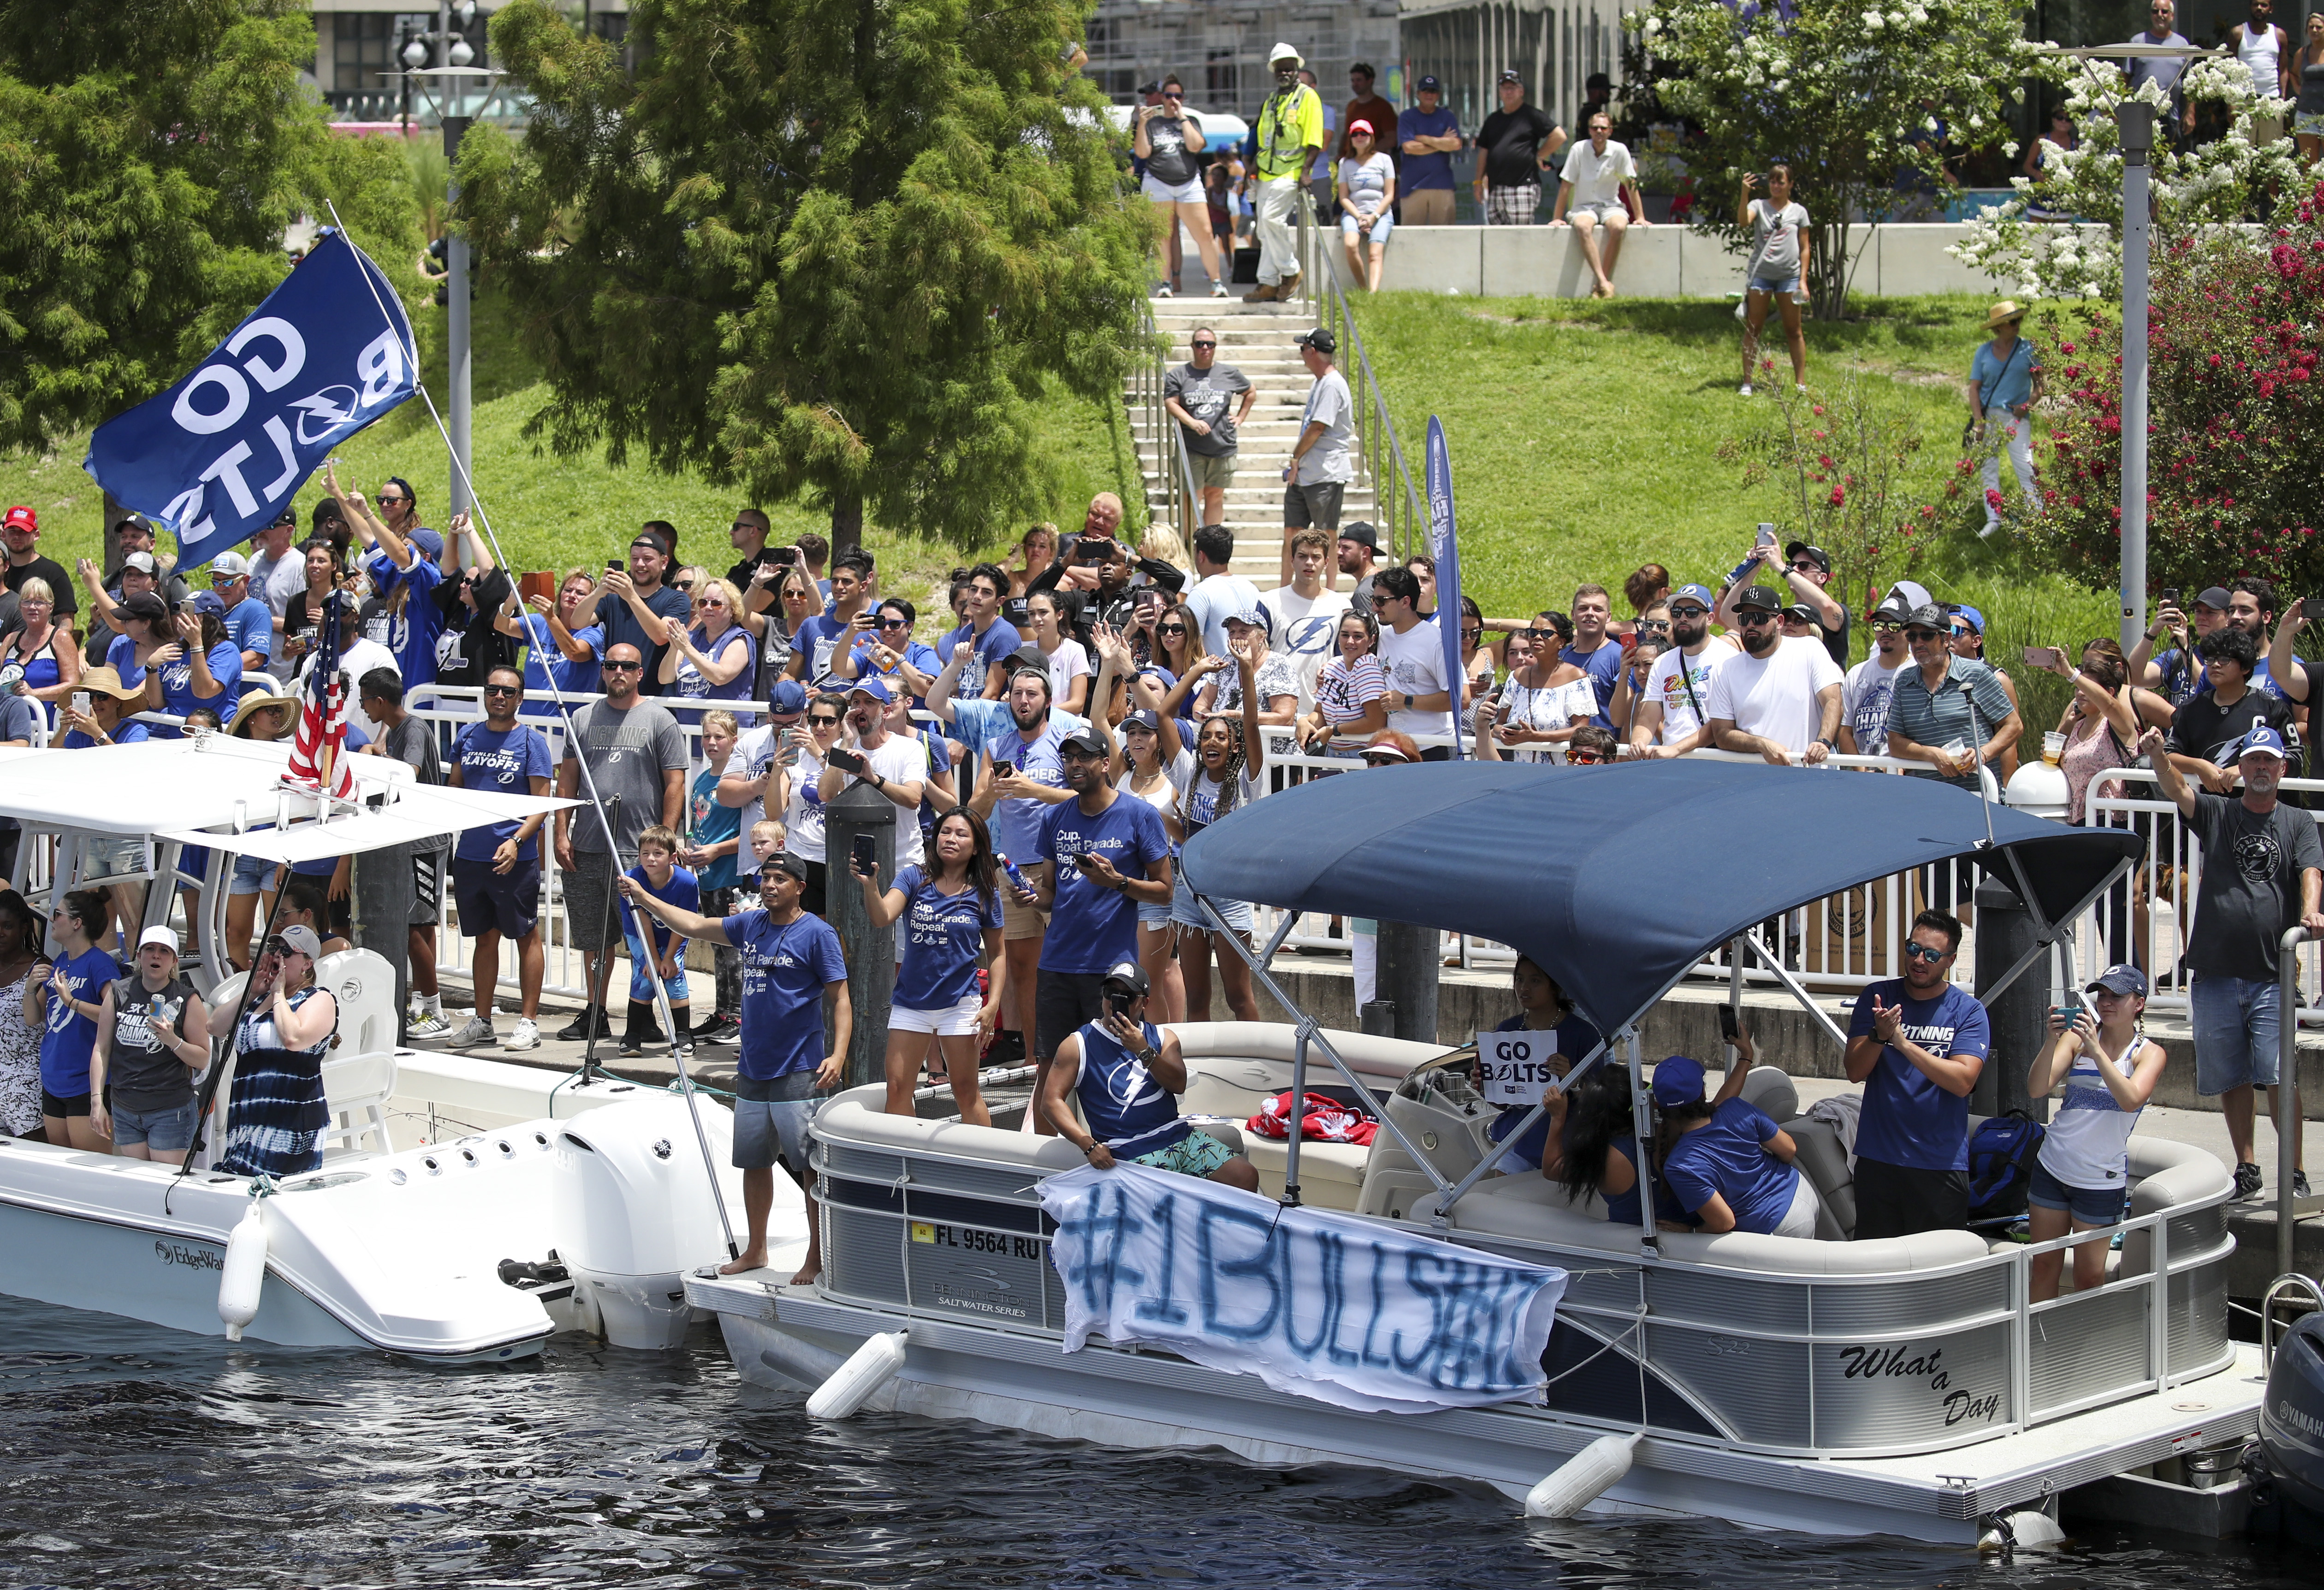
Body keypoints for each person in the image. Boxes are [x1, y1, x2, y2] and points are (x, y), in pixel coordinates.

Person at [623, 854, 850, 1281]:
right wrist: (643, 897)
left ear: (799, 886)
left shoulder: (818, 934)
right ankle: (756, 1249)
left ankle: (816, 1256)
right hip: (752, 1067)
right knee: (754, 1162)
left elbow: (841, 997)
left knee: (808, 1168)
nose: (769, 884)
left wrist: (837, 1055)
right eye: (765, 877)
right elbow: (691, 925)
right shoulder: (749, 924)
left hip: (799, 1067)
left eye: (780, 878)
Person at [2144, 721, 2318, 1200]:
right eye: (2253, 760)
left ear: (2283, 769)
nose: (2260, 767)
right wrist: (2160, 754)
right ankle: (2247, 1166)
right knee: (2231, 1075)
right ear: (2239, 769)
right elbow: (2177, 787)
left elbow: (2311, 870)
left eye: (2269, 760)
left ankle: (2296, 1171)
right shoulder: (2219, 812)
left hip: (2271, 972)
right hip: (2215, 971)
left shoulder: (2298, 821)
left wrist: (2310, 909)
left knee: (2279, 1074)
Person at [1013, 723, 1172, 1122]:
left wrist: (1117, 881)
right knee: (1049, 1073)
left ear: (1106, 763)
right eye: (1069, 757)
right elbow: (1051, 892)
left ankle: (1112, 1158)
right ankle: (1044, 1172)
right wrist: (1032, 897)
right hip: (1058, 964)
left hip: (1111, 970)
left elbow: (1165, 890)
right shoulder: (1054, 818)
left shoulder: (1140, 815)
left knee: (1111, 1072)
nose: (1075, 764)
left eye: (1084, 756)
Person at [553, 643, 688, 1044]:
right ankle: (596, 1012)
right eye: (610, 665)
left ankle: (642, 1016)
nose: (617, 672)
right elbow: (567, 780)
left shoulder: (660, 719)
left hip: (638, 852)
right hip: (589, 845)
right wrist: (562, 831)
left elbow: (675, 782)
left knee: (643, 939)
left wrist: (664, 843)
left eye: (626, 666)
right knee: (595, 939)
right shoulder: (581, 717)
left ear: (639, 672)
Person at [1036, 959, 1260, 1189]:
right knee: (1169, 1196)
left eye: (1128, 996)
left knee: (1245, 1176)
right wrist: (1089, 1145)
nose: (1116, 1002)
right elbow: (1051, 1101)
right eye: (1110, 993)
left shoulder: (1164, 1038)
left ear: (1145, 1002)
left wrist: (1143, 1051)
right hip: (1128, 1150)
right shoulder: (1077, 1045)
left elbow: (1178, 1084)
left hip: (1179, 1137)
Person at [2028, 965, 2170, 1300]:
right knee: (2043, 1267)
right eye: (2102, 995)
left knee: (2089, 1277)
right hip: (2052, 1167)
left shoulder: (2148, 1053)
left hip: (2099, 1180)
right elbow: (2036, 1089)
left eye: (2117, 996)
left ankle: (2086, 1352)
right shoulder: (2076, 1040)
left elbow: (2131, 1098)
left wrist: (2098, 1050)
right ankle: (2038, 1350)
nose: (2106, 1003)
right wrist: (2052, 1041)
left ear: (2139, 1004)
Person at [1844, 909, 1988, 1239]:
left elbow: (1963, 1081)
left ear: (1950, 960)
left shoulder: (1968, 1011)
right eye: (1913, 949)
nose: (1919, 960)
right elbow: (1855, 1070)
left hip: (1939, 1164)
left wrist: (1902, 1043)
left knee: (1936, 1274)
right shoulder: (1878, 997)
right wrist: (1878, 1036)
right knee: (1875, 1269)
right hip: (1878, 1160)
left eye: (1932, 954)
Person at [856, 807, 1006, 1124]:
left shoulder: (986, 893)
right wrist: (870, 885)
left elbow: (997, 954)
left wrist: (993, 1004)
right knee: (897, 1088)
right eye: (945, 832)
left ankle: (984, 1167)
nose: (951, 839)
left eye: (961, 834)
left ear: (977, 846)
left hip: (960, 1003)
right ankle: (904, 1166)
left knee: (965, 1092)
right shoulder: (913, 877)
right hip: (912, 1000)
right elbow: (882, 916)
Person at [447, 666, 554, 1052]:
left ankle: (529, 1022)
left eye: (508, 692)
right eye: (493, 690)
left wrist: (517, 842)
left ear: (520, 698)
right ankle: (483, 1021)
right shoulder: (467, 736)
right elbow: (455, 787)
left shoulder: (532, 741)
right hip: (472, 855)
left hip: (515, 858)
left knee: (526, 936)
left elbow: (542, 804)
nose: (500, 697)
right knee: (483, 939)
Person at [1166, 638, 1268, 1023]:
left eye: (1221, 736)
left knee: (1239, 996)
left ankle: (1260, 1072)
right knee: (1197, 1000)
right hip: (1189, 894)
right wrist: (1197, 672)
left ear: (1234, 745)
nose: (1212, 741)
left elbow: (1253, 723)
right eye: (1207, 735)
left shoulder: (1246, 781)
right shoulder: (1189, 773)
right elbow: (1163, 715)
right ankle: (1198, 1074)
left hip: (1229, 894)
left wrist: (1245, 669)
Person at [357, 669, 451, 1037]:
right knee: (421, 927)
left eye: (365, 700)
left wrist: (374, 762)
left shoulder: (413, 729)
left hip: (425, 843)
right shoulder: (396, 732)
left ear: (380, 701)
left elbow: (409, 773)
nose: (362, 708)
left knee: (413, 929)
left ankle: (435, 1011)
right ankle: (425, 1003)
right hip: (412, 842)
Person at [215, 924, 340, 1180]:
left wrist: (280, 993)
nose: (277, 956)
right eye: (274, 949)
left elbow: (293, 1038)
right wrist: (252, 991)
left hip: (291, 1125)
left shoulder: (319, 999)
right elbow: (215, 1027)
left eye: (287, 951)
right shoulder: (260, 998)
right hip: (247, 1118)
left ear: (307, 964)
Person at [1653, 1054, 1819, 1237]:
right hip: (1801, 1190)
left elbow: (1724, 1222)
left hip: (1778, 1223)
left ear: (1659, 1105)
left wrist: (1691, 1231)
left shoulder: (1679, 1166)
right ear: (1703, 1093)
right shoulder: (1736, 1107)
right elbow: (1789, 1150)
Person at [88, 926, 210, 1166]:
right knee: (137, 1182)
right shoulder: (118, 992)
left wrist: (172, 1040)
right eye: (150, 949)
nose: (156, 956)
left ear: (174, 960)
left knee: (163, 1184)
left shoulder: (187, 998)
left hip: (169, 1110)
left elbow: (203, 1059)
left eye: (164, 951)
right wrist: (96, 1102)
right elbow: (101, 1049)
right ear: (139, 955)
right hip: (125, 1108)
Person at [1482, 957, 1603, 1172]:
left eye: (1535, 981)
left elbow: (1601, 1103)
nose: (1524, 988)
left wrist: (1573, 1080)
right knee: (1501, 1202)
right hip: (1515, 1144)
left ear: (1555, 987)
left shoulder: (1584, 1034)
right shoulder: (1506, 1030)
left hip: (1567, 1148)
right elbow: (1504, 1103)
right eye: (1519, 980)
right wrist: (1486, 1086)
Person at [1883, 603, 2023, 789]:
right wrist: (1931, 754)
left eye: (1927, 635)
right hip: (1928, 797)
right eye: (1912, 636)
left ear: (1946, 639)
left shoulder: (1976, 674)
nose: (1918, 643)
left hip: (1980, 797)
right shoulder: (1904, 682)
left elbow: (2013, 725)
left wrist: (1983, 754)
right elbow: (1895, 743)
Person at [1703, 585, 1844, 764]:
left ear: (1779, 621)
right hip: (1755, 781)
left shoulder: (1809, 649)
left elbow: (1833, 701)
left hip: (1808, 775)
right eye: (1745, 619)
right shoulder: (1727, 669)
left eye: (1759, 618)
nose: (1751, 625)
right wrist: (1762, 745)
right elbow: (1722, 734)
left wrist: (1823, 742)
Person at [27, 890, 120, 1153]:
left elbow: (116, 1015)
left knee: (88, 1171)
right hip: (54, 1080)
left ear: (77, 923)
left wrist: (72, 1002)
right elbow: (33, 1017)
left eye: (58, 914)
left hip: (86, 1083)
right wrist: (30, 988)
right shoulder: (60, 962)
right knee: (59, 1169)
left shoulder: (100, 964)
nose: (52, 920)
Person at [2164, 627, 2300, 793]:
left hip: (2259, 811)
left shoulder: (2272, 708)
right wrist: (2198, 766)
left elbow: (2294, 758)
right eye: (2210, 659)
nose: (2215, 665)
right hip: (2205, 810)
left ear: (2245, 668)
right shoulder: (2189, 709)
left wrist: (2246, 769)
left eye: (2224, 660)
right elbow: (2167, 755)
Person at [683, 709, 748, 1043]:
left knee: (734, 947)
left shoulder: (739, 780)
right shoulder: (702, 778)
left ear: (734, 741)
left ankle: (737, 1016)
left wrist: (717, 851)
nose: (711, 742)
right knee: (717, 948)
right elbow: (698, 824)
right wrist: (690, 848)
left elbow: (750, 832)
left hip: (730, 873)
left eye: (719, 737)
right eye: (707, 736)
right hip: (706, 877)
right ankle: (723, 1011)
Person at [818, 677, 928, 866]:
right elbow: (826, 794)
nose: (860, 709)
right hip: (857, 862)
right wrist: (847, 742)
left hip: (903, 861)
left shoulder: (910, 748)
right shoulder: (842, 746)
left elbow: (913, 799)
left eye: (869, 703)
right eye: (856, 703)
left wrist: (873, 779)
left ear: (885, 711)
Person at [1134, 77, 1226, 298]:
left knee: (1205, 234)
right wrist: (1142, 123)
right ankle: (1165, 283)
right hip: (1158, 182)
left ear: (1184, 99)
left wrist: (1182, 116)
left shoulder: (1191, 120)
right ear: (1162, 98)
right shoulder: (1153, 123)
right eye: (1168, 96)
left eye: (1178, 96)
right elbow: (1142, 153)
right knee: (1162, 236)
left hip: (1188, 183)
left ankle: (1217, 282)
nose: (1173, 100)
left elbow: (1196, 146)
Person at [1248, 44, 1323, 303]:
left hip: (1291, 172)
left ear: (1297, 70)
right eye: (1280, 69)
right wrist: (1254, 165)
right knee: (1263, 231)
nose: (1285, 73)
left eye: (1289, 69)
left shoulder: (1307, 97)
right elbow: (1263, 139)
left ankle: (1292, 272)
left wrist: (1306, 171)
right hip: (1267, 173)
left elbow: (1315, 138)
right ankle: (1268, 283)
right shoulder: (1271, 100)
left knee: (1272, 221)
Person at [615, 826, 699, 1058]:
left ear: (673, 857)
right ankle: (632, 1034)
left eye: (658, 853)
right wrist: (653, 958)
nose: (650, 859)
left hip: (674, 933)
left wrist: (670, 957)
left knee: (674, 975)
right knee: (646, 975)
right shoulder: (630, 880)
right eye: (645, 853)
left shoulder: (686, 883)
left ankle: (684, 1034)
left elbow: (685, 922)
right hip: (640, 935)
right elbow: (642, 921)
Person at [1281, 328, 1355, 581]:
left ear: (1312, 351)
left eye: (1303, 349)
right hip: (1305, 473)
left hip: (1326, 473)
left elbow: (1318, 426)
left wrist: (1295, 456)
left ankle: (1331, 590)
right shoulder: (1320, 382)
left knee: (1326, 535)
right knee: (1291, 532)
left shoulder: (1333, 385)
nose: (1301, 354)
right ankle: (1284, 588)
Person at [1164, 328, 1255, 528]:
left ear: (1215, 348)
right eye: (1200, 344)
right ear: (1192, 347)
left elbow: (1250, 392)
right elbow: (1171, 402)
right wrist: (1192, 422)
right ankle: (1189, 546)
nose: (1205, 348)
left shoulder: (1229, 373)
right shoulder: (1179, 375)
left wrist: (1240, 417)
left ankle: (1209, 546)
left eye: (1210, 344)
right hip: (1191, 447)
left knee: (1215, 495)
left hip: (1223, 445)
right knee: (1191, 497)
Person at [1551, 111, 1648, 299]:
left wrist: (1640, 217)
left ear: (1610, 131)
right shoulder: (1579, 149)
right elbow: (1566, 185)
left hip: (1611, 205)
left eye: (1603, 128)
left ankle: (1600, 284)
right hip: (1584, 207)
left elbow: (1630, 184)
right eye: (1595, 128)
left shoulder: (1619, 150)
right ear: (1589, 131)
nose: (1599, 132)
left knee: (1619, 227)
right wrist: (1557, 217)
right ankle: (1604, 283)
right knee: (1582, 226)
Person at [1636, 585, 1740, 759]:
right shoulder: (1663, 662)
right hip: (1671, 758)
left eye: (1691, 612)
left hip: (1715, 758)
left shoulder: (1729, 658)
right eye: (1677, 613)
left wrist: (1677, 749)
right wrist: (1638, 742)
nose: (1683, 618)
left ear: (1710, 618)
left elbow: (1722, 722)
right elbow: (1648, 717)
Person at [1969, 301, 2045, 535]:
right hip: (1990, 415)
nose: (2018, 325)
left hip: (2016, 416)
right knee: (1988, 467)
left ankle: (2038, 518)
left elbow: (2041, 385)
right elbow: (1974, 389)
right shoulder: (1984, 352)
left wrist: (2027, 406)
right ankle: (1994, 519)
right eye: (2013, 322)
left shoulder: (2029, 349)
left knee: (2025, 466)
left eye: (2019, 320)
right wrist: (1979, 422)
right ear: (2000, 327)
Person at [1478, 611, 1594, 762]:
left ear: (1561, 642)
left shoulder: (1576, 677)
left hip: (1559, 769)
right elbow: (1500, 725)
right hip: (1522, 769)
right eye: (1533, 632)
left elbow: (1580, 730)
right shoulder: (1517, 677)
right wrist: (1504, 733)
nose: (1537, 638)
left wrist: (1535, 737)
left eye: (1546, 633)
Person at [587, 527, 693, 692]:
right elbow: (577, 622)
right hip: (613, 696)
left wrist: (631, 597)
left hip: (654, 698)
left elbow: (661, 637)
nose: (640, 565)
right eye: (635, 559)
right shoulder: (613, 597)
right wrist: (598, 592)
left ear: (664, 562)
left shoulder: (677, 599)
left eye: (647, 559)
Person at [1262, 529, 1352, 717]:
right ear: (1292, 560)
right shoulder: (1269, 602)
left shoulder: (1342, 606)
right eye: (1302, 556)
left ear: (1326, 562)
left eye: (1316, 557)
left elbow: (1347, 658)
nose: (1309, 563)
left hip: (1323, 713)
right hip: (1275, 713)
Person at [1737, 164, 1809, 395]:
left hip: (1789, 277)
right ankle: (1747, 382)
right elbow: (1743, 222)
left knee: (1794, 330)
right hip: (1762, 276)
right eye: (1773, 181)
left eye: (1781, 182)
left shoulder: (1799, 212)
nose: (1776, 186)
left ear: (1790, 185)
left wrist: (1803, 281)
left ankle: (1800, 383)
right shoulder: (1758, 206)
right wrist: (1744, 193)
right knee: (1753, 328)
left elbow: (1805, 247)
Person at [1719, 538, 1848, 668]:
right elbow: (1728, 616)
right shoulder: (1783, 617)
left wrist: (1782, 567)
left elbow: (1826, 606)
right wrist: (1756, 565)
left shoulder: (1836, 612)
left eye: (1803, 566)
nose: (1795, 569)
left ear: (1822, 577)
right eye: (1792, 565)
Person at [1370, 566, 1455, 757]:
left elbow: (1460, 698)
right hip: (1394, 749)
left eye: (1382, 601)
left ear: (1405, 602)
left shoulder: (1436, 640)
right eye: (1373, 600)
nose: (1375, 607)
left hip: (1431, 748)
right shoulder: (1383, 637)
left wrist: (1407, 701)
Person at [659, 573, 756, 726]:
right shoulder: (690, 638)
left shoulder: (740, 639)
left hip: (727, 734)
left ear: (733, 609)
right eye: (703, 603)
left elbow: (720, 676)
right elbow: (665, 678)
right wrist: (673, 649)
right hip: (690, 732)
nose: (708, 607)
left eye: (716, 603)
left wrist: (686, 648)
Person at [1473, 68, 1565, 226]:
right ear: (1500, 92)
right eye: (1505, 88)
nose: (1508, 92)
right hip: (1496, 189)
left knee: (1519, 238)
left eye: (1513, 88)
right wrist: (1478, 183)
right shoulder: (1493, 120)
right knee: (1498, 241)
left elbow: (1559, 136)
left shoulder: (1531, 115)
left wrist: (1539, 155)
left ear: (1521, 91)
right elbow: (1484, 152)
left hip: (1523, 187)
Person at [142, 594, 240, 736]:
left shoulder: (226, 651)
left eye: (192, 614)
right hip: (176, 736)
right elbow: (156, 703)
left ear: (210, 619)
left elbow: (204, 692)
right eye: (183, 613)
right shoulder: (176, 650)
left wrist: (196, 645)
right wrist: (151, 667)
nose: (184, 619)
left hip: (211, 738)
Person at [515, 567, 606, 717]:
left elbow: (575, 653)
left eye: (581, 593)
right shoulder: (540, 622)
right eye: (568, 590)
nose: (572, 595)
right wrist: (514, 595)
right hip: (529, 719)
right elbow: (502, 625)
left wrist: (551, 618)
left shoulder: (593, 631)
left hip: (565, 725)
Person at [1301, 609, 1389, 757]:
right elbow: (1320, 713)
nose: (1350, 641)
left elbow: (1377, 721)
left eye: (1358, 636)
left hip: (1360, 756)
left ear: (1372, 640)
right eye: (1345, 635)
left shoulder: (1367, 666)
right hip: (1332, 754)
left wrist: (1333, 730)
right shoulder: (1332, 665)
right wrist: (1305, 721)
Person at [1837, 597, 1913, 757]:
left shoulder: (1917, 672)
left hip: (1904, 773)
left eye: (1894, 626)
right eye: (1879, 625)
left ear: (1909, 630)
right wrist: (1862, 770)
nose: (1885, 631)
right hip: (1863, 775)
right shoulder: (1857, 674)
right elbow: (1845, 730)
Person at [936, 562, 1022, 702]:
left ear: (1000, 601)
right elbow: (966, 684)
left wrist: (967, 719)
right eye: (974, 590)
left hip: (990, 719)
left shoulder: (1004, 635)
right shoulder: (965, 632)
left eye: (986, 592)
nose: (977, 596)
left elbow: (993, 693)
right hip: (967, 713)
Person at [1, 577, 79, 727]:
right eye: (27, 602)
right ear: (20, 606)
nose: (33, 607)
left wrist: (34, 693)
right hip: (8, 723)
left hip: (45, 725)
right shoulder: (10, 640)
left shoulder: (61, 638)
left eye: (39, 602)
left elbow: (72, 686)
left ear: (51, 607)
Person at [0, 891, 42, 1141]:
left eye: (7, 926)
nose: (0, 933)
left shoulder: (41, 969)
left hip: (28, 1084)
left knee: (37, 1165)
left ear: (25, 928)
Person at [1338, 120, 1397, 292]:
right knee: (1350, 245)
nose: (1359, 137)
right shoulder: (1345, 164)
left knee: (1375, 254)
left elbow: (1390, 194)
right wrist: (1359, 217)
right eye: (1355, 134)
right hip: (1354, 213)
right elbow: (1343, 197)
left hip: (1381, 213)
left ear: (1371, 137)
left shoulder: (1384, 160)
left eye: (1364, 134)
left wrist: (1374, 217)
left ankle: (1373, 292)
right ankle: (1363, 288)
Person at [1398, 75, 1464, 227]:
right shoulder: (1407, 117)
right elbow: (1409, 148)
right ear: (1418, 94)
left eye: (1433, 91)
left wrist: (1426, 139)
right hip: (1412, 187)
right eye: (1425, 90)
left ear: (1438, 95)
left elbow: (1455, 144)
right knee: (1412, 239)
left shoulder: (1447, 116)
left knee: (1444, 238)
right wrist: (1441, 142)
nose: (1429, 94)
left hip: (1442, 185)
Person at [2126, 0, 2197, 139]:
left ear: (2172, 16)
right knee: (2138, 160)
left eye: (2164, 11)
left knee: (2169, 160)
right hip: (2140, 116)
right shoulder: (2137, 42)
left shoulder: (2183, 45)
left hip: (2171, 116)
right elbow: (2125, 79)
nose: (2160, 15)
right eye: (2155, 11)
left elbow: (2190, 84)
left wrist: (2190, 113)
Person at [1562, 585, 1624, 728]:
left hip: (1605, 746)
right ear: (1573, 615)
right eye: (1583, 608)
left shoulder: (1620, 656)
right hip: (1565, 746)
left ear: (1608, 617)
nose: (1590, 613)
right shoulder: (1561, 656)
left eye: (1598, 609)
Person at [2, 505, 76, 621]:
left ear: (36, 535)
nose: (17, 536)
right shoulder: (1, 570)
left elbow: (65, 622)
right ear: (3, 535)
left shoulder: (53, 572)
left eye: (24, 531)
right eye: (12, 531)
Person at [208, 553, 276, 676]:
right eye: (216, 582)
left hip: (248, 694)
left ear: (246, 581)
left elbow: (255, 658)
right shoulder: (210, 611)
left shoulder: (256, 610)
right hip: (216, 692)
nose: (221, 588)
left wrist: (212, 669)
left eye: (228, 582)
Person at [2296, 12, 2324, 165]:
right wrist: (2298, 88)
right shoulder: (2303, 53)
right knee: (2309, 166)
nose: (2314, 30)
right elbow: (2293, 74)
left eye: (2319, 27)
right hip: (2306, 116)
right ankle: (2309, 191)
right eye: (2311, 27)